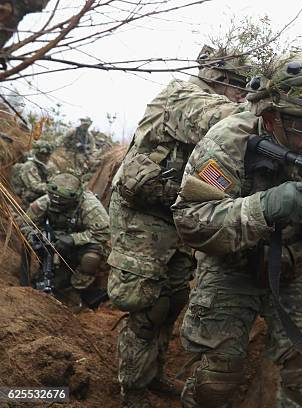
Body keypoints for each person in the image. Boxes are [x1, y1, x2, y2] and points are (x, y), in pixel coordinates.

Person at [171, 53, 302, 408]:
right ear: (270, 117)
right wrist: (264, 207)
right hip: (232, 267)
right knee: (218, 379)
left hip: (297, 267)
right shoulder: (229, 141)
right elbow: (191, 220)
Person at [106, 46, 251, 408]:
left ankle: (152, 374)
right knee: (144, 306)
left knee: (171, 300)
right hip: (141, 215)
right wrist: (276, 108)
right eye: (239, 88)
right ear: (218, 79)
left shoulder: (215, 100)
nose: (243, 97)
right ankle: (133, 389)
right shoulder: (182, 96)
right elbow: (223, 120)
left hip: (175, 213)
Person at [23, 172, 110, 303]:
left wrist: (74, 239)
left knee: (91, 259)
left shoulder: (90, 206)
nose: (57, 206)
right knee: (52, 281)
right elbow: (25, 224)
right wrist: (36, 237)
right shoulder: (44, 203)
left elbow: (104, 232)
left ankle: (77, 289)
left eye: (62, 204)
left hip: (80, 247)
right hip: (53, 245)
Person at [11, 140, 55, 209]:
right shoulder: (29, 166)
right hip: (29, 198)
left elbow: (53, 178)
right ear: (37, 153)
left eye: (48, 154)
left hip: (43, 193)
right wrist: (52, 188)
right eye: (44, 154)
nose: (47, 157)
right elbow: (34, 186)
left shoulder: (48, 164)